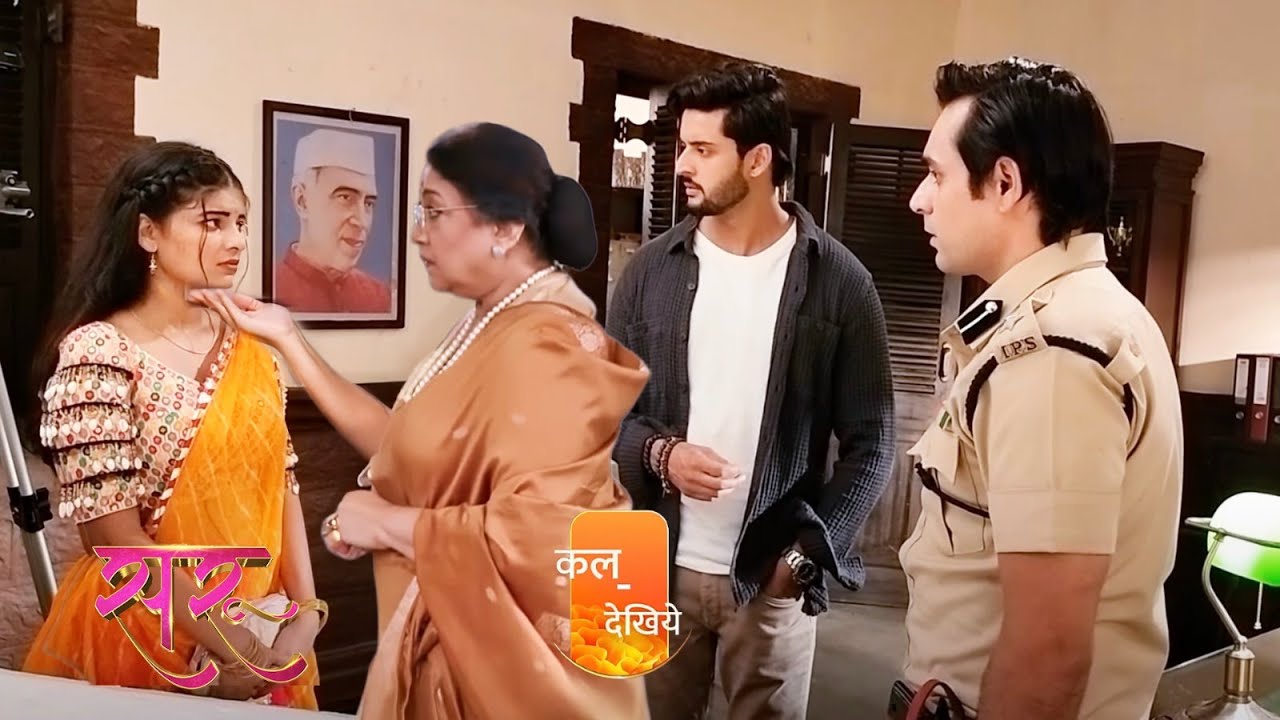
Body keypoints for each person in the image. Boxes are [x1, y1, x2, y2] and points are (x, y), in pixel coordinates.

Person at [192, 122, 651, 719]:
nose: (415, 232)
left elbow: (553, 534)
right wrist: (289, 338)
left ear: (505, 228)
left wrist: (389, 524)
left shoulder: (551, 340)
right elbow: (410, 445)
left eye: (434, 212)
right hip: (460, 637)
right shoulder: (492, 321)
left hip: (521, 676)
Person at [607, 61, 896, 719]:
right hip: (647, 567)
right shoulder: (647, 273)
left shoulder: (842, 283)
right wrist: (660, 455)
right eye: (682, 146)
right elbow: (603, 418)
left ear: (758, 159)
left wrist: (803, 557)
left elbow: (873, 443)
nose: (682, 164)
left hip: (770, 580)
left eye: (703, 150)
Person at [898, 57, 1183, 720]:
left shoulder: (1052, 350)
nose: (919, 199)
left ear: (1005, 183)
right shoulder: (1082, 313)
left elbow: (1047, 649)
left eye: (936, 174)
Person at [22, 141, 322, 708]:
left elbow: (282, 484)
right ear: (148, 233)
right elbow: (115, 540)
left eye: (241, 223)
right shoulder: (99, 352)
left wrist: (305, 615)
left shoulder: (251, 347)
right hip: (145, 632)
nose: (236, 240)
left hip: (265, 623)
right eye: (212, 222)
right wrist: (233, 647)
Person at [274, 127, 392, 314]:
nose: (361, 221)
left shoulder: (380, 298)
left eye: (368, 203)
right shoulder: (271, 293)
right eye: (345, 198)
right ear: (302, 201)